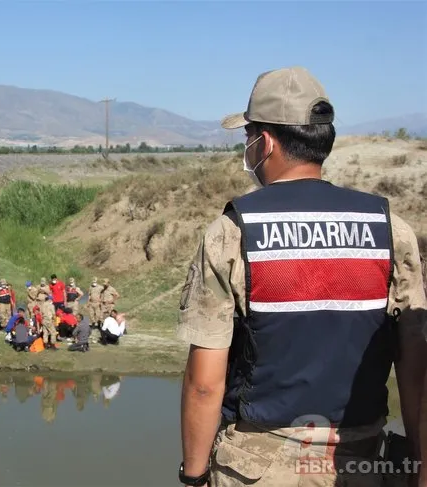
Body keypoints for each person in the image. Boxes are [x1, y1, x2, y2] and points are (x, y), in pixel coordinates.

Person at [176, 67, 427, 487]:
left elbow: (205, 384)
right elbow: (416, 368)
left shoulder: (234, 232)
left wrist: (194, 476)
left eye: (248, 136)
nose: (248, 148)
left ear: (266, 142)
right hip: (362, 463)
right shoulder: (390, 229)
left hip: (256, 465)